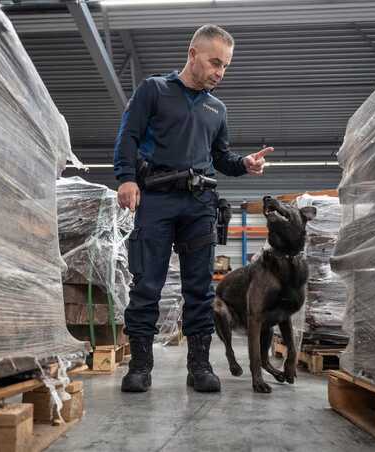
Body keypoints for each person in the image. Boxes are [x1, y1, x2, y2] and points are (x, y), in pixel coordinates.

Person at [113, 24, 272, 393]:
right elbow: (128, 136)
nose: (220, 71)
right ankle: (140, 367)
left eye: (226, 66)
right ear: (192, 54)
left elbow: (220, 157)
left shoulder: (217, 108)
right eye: (215, 62)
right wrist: (125, 177)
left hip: (200, 203)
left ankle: (199, 366)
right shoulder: (155, 90)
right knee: (147, 284)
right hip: (156, 198)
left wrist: (243, 163)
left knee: (199, 290)